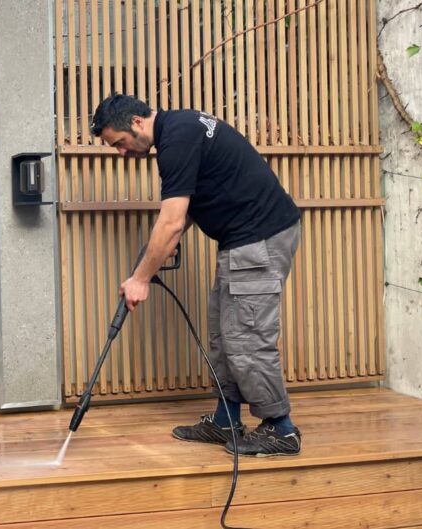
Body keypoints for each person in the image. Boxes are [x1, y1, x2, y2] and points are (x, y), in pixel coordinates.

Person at [91, 94, 303, 457]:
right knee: (224, 333)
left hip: (260, 238)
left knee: (247, 337)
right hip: (241, 240)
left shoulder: (178, 139)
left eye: (120, 144)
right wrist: (153, 257)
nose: (121, 153)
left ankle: (280, 429)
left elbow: (172, 220)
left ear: (137, 123)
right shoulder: (182, 128)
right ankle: (225, 421)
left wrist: (140, 279)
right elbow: (188, 209)